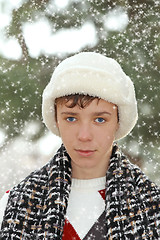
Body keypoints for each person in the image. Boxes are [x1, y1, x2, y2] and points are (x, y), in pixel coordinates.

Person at [0, 52, 160, 239]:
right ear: (56, 120)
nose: (84, 135)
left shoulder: (152, 207)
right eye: (71, 118)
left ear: (118, 121)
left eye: (99, 119)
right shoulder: (14, 205)